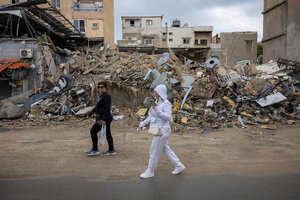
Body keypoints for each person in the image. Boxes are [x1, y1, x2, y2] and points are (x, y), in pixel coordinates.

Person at [138, 84, 185, 178]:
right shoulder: (157, 102)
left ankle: (150, 171)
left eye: (156, 91)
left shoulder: (166, 103)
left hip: (163, 130)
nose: (154, 93)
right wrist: (142, 124)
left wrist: (157, 109)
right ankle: (179, 165)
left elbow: (168, 117)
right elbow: (151, 116)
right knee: (166, 149)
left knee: (154, 151)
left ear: (160, 92)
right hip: (158, 129)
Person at [86, 81, 116, 156]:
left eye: (102, 87)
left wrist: (104, 119)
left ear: (105, 88)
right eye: (99, 87)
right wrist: (90, 114)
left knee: (93, 131)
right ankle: (111, 150)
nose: (100, 88)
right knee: (108, 133)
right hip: (102, 118)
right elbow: (97, 107)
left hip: (104, 118)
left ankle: (95, 149)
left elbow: (107, 108)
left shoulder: (106, 96)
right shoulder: (101, 96)